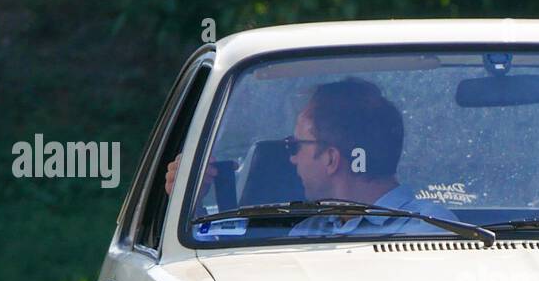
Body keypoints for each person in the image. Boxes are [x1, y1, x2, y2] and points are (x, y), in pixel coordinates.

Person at [168, 77, 450, 236]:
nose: (291, 159)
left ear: (330, 158)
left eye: (294, 146)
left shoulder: (430, 232)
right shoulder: (310, 229)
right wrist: (190, 204)